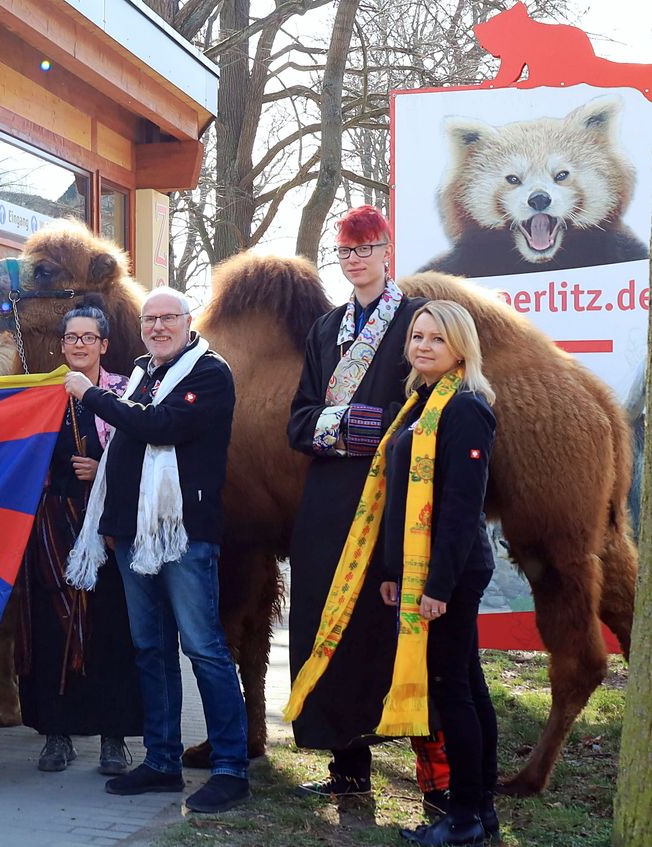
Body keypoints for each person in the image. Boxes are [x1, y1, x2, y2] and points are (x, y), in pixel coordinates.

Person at [63, 287, 250, 814]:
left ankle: (231, 768)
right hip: (130, 535)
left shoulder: (209, 373)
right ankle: (162, 762)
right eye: (151, 319)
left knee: (204, 649)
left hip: (184, 535)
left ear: (188, 321)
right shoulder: (143, 372)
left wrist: (91, 396)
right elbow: (127, 449)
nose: (159, 326)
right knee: (150, 650)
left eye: (169, 317)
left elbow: (159, 426)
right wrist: (109, 523)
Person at [286, 206, 451, 803]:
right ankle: (345, 762)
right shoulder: (325, 328)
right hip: (329, 497)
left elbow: (433, 403)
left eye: (366, 248)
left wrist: (374, 429)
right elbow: (299, 418)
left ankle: (434, 773)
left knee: (390, 622)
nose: (355, 260)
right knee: (326, 617)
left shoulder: (415, 321)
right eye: (346, 251)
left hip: (397, 493)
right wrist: (341, 426)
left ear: (387, 251)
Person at [380, 302, 499, 845]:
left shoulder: (466, 407)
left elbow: (459, 507)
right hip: (426, 571)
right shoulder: (421, 403)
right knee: (466, 686)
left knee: (456, 692)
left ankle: (467, 818)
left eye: (436, 338)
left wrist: (437, 588)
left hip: (452, 572)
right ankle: (480, 812)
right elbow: (398, 495)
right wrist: (391, 569)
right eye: (417, 336)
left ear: (461, 348)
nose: (423, 345)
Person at [16, 297, 142, 774]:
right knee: (51, 628)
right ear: (62, 343)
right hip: (50, 523)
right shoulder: (41, 392)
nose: (80, 344)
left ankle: (114, 738)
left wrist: (102, 468)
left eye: (89, 337)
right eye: (72, 337)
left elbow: (142, 452)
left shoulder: (126, 391)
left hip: (106, 526)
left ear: (104, 344)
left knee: (111, 627)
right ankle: (57, 733)